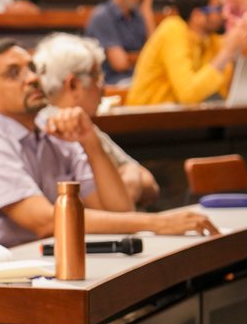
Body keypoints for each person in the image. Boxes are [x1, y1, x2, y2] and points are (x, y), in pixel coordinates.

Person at [0, 40, 217, 246]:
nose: (31, 78)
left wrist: (90, 141)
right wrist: (157, 223)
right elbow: (45, 221)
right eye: (13, 74)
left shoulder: (54, 129)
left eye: (31, 68)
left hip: (37, 264)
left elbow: (117, 209)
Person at [33, 33, 159, 207]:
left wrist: (130, 177)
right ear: (73, 84)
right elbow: (107, 208)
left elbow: (149, 184)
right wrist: (122, 185)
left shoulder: (87, 126)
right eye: (97, 76)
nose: (103, 87)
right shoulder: (49, 129)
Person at [125, 0, 247, 105]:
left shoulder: (212, 38)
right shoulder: (173, 30)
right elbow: (188, 95)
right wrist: (226, 53)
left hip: (182, 119)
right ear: (197, 15)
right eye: (219, 8)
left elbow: (223, 93)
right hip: (146, 118)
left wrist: (234, 54)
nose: (225, 14)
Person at [83, 0, 156, 85]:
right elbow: (120, 64)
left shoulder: (138, 15)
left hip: (138, 77)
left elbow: (155, 50)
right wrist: (146, 58)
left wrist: (147, 11)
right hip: (112, 82)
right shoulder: (102, 17)